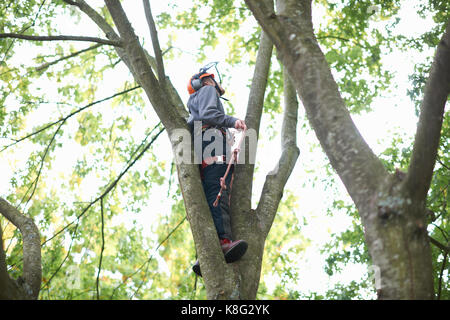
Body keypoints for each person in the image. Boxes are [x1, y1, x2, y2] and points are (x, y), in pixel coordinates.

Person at [187, 70, 248, 277]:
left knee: (210, 191)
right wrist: (232, 121)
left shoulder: (195, 103)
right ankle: (223, 241)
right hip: (212, 144)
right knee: (218, 188)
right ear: (204, 81)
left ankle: (205, 249)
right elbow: (209, 114)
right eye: (210, 79)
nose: (214, 82)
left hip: (206, 145)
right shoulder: (207, 91)